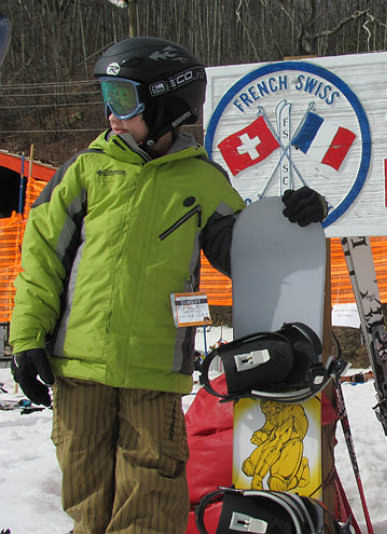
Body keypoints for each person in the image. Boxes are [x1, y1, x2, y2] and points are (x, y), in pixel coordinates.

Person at [8, 37, 326, 533]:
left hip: (153, 374)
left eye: (123, 99)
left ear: (165, 106)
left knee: (150, 499)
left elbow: (242, 254)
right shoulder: (85, 171)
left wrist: (293, 222)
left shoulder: (201, 181)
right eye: (106, 97)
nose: (111, 113)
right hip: (78, 365)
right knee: (87, 499)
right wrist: (27, 339)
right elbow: (42, 257)